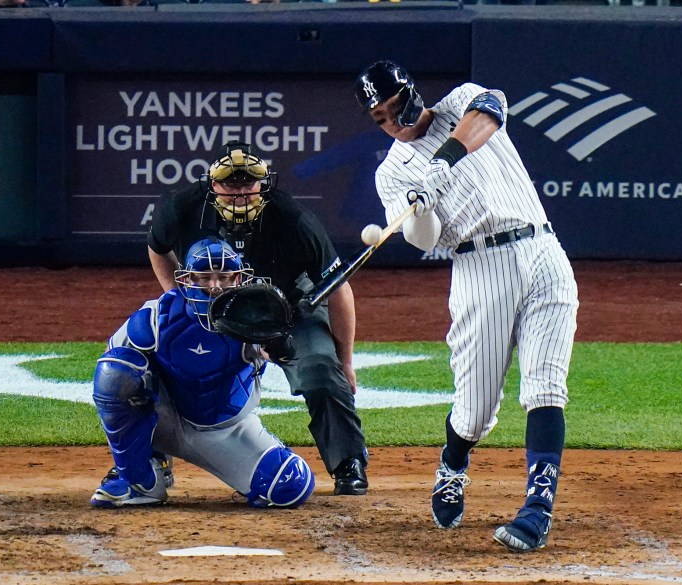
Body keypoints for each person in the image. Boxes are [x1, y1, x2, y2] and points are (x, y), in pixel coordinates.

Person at [353, 60, 579, 552]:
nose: (393, 121)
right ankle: (454, 461)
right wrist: (422, 204)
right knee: (475, 413)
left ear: (412, 92)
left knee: (545, 387)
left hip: (543, 251)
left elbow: (489, 113)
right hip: (480, 270)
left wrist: (441, 164)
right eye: (380, 118)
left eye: (395, 107)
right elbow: (423, 238)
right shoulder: (391, 173)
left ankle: (537, 509)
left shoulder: (461, 101)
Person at [146, 142, 368, 496]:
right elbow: (157, 248)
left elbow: (338, 290)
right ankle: (151, 459)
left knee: (322, 373)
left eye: (248, 184)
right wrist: (182, 297)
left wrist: (346, 361)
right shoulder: (183, 207)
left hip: (291, 312)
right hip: (218, 313)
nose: (240, 193)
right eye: (231, 184)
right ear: (212, 185)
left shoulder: (293, 219)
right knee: (158, 365)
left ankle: (348, 464)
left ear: (263, 184)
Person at [91, 237, 314, 509]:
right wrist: (141, 405)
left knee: (290, 486)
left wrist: (278, 339)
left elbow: (280, 354)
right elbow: (111, 366)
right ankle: (140, 478)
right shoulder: (159, 316)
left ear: (239, 279)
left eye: (224, 277)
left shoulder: (252, 316)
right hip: (167, 418)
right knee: (117, 371)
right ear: (187, 280)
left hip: (226, 430)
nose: (215, 286)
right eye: (204, 278)